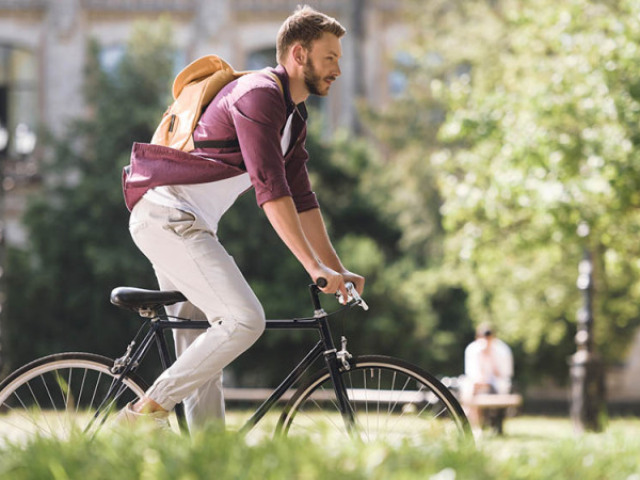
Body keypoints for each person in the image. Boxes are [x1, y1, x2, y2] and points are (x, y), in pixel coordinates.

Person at [119, 5, 365, 430]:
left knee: (204, 351)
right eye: (330, 58)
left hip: (180, 223)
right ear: (300, 55)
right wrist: (313, 267)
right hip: (169, 218)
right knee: (244, 320)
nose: (338, 69)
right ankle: (143, 413)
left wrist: (335, 268)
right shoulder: (258, 94)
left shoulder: (293, 117)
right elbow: (271, 190)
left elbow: (303, 199)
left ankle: (208, 462)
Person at [462, 322, 514, 430]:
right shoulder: (473, 350)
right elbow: (471, 373)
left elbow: (505, 374)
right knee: (470, 388)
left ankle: (478, 425)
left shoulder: (502, 350)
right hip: (477, 384)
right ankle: (474, 425)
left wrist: (491, 359)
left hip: (496, 384)